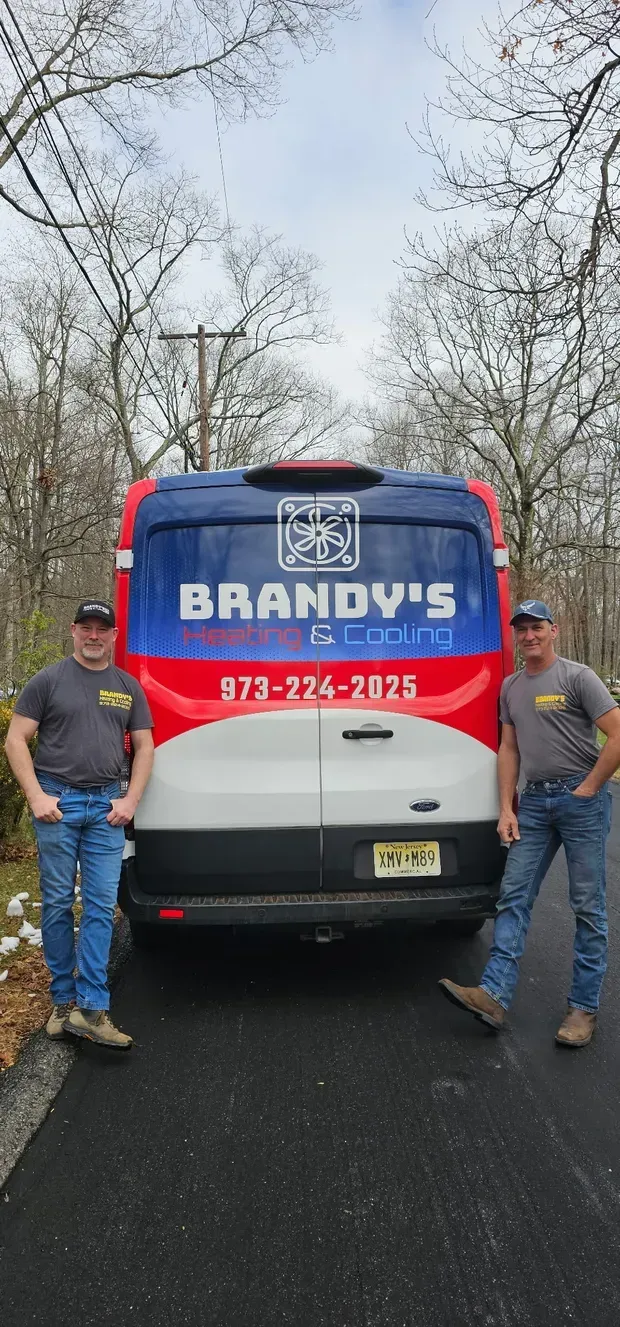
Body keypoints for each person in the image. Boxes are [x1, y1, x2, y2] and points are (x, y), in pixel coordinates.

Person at [439, 599, 620, 1048]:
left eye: (537, 627)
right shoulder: (511, 687)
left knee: (587, 906)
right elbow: (509, 750)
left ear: (553, 630)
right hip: (535, 803)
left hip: (582, 800)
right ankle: (493, 995)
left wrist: (591, 788)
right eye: (521, 629)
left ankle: (582, 1009)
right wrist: (507, 808)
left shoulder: (578, 677)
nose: (529, 636)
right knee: (514, 896)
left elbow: (617, 733)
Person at [5, 600, 154, 1050]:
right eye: (86, 628)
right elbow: (15, 739)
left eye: (102, 629)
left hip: (108, 807)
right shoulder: (47, 680)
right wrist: (36, 796)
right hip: (58, 804)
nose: (94, 635)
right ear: (73, 632)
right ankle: (61, 1000)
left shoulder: (127, 687)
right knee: (54, 905)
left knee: (99, 907)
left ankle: (90, 1008)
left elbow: (145, 747)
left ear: (113, 636)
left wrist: (130, 800)